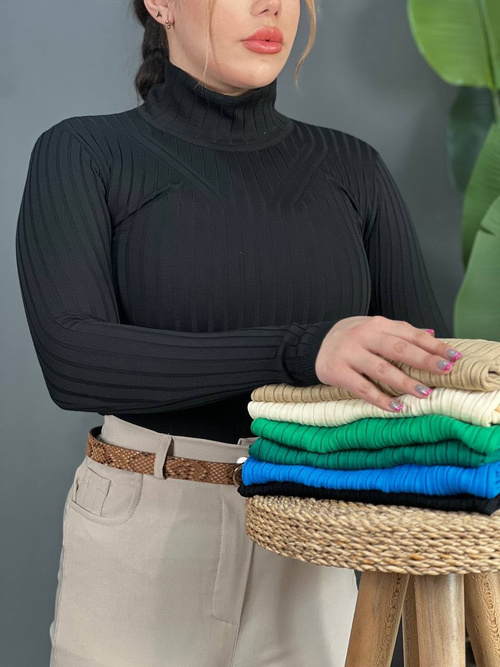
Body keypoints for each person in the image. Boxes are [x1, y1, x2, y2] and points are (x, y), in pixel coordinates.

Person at [15, 0, 458, 665]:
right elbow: (73, 358)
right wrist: (302, 350)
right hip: (145, 537)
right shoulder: (84, 152)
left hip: (313, 542)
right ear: (160, 5)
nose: (270, 5)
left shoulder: (353, 168)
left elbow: (429, 381)